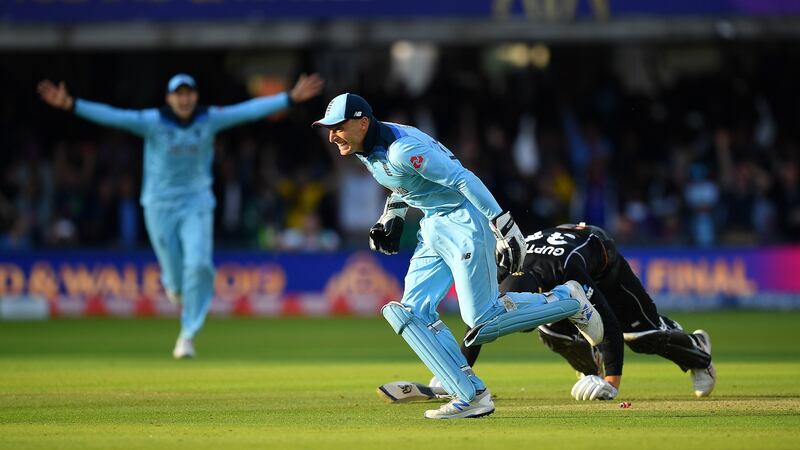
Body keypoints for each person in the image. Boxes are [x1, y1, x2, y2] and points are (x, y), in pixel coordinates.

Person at [312, 93, 603, 419]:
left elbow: (463, 178)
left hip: (464, 221)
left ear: (363, 123)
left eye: (338, 127)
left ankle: (570, 299)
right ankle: (471, 392)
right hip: (433, 224)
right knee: (410, 312)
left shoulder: (403, 149)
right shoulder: (367, 148)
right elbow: (404, 184)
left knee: (482, 320)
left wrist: (502, 224)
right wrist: (390, 216)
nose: (332, 135)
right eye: (329, 128)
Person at [37, 73, 324, 359]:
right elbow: (113, 116)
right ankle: (174, 287)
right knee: (175, 281)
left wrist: (288, 98)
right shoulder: (153, 121)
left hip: (196, 203)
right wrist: (71, 104)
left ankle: (187, 336)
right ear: (169, 98)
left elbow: (247, 111)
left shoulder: (208, 119)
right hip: (159, 205)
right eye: (179, 94)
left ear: (195, 96)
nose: (184, 99)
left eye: (189, 93)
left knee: (199, 264)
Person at [379, 222, 716, 403]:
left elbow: (608, 324)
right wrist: (457, 373)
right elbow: (478, 324)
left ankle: (698, 352)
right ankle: (589, 372)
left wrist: (611, 385)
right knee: (552, 331)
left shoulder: (566, 272)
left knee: (640, 336)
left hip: (599, 258)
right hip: (547, 264)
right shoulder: (502, 269)